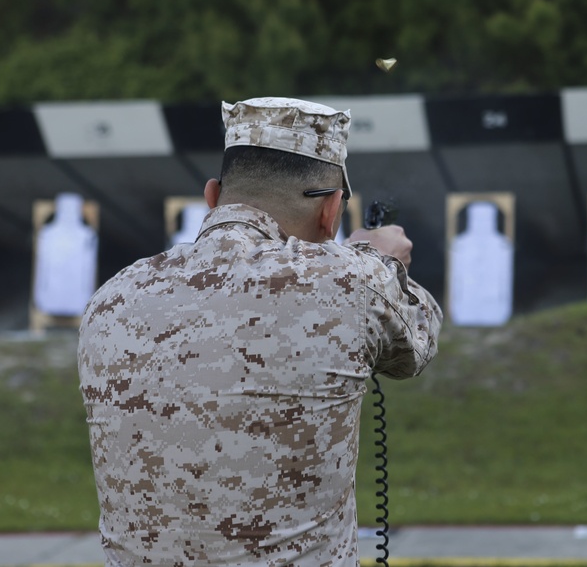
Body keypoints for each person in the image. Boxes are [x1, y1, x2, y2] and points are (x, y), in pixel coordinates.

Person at [78, 97, 442, 566]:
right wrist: (382, 261)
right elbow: (416, 345)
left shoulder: (111, 296)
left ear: (212, 196)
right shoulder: (349, 281)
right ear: (330, 211)